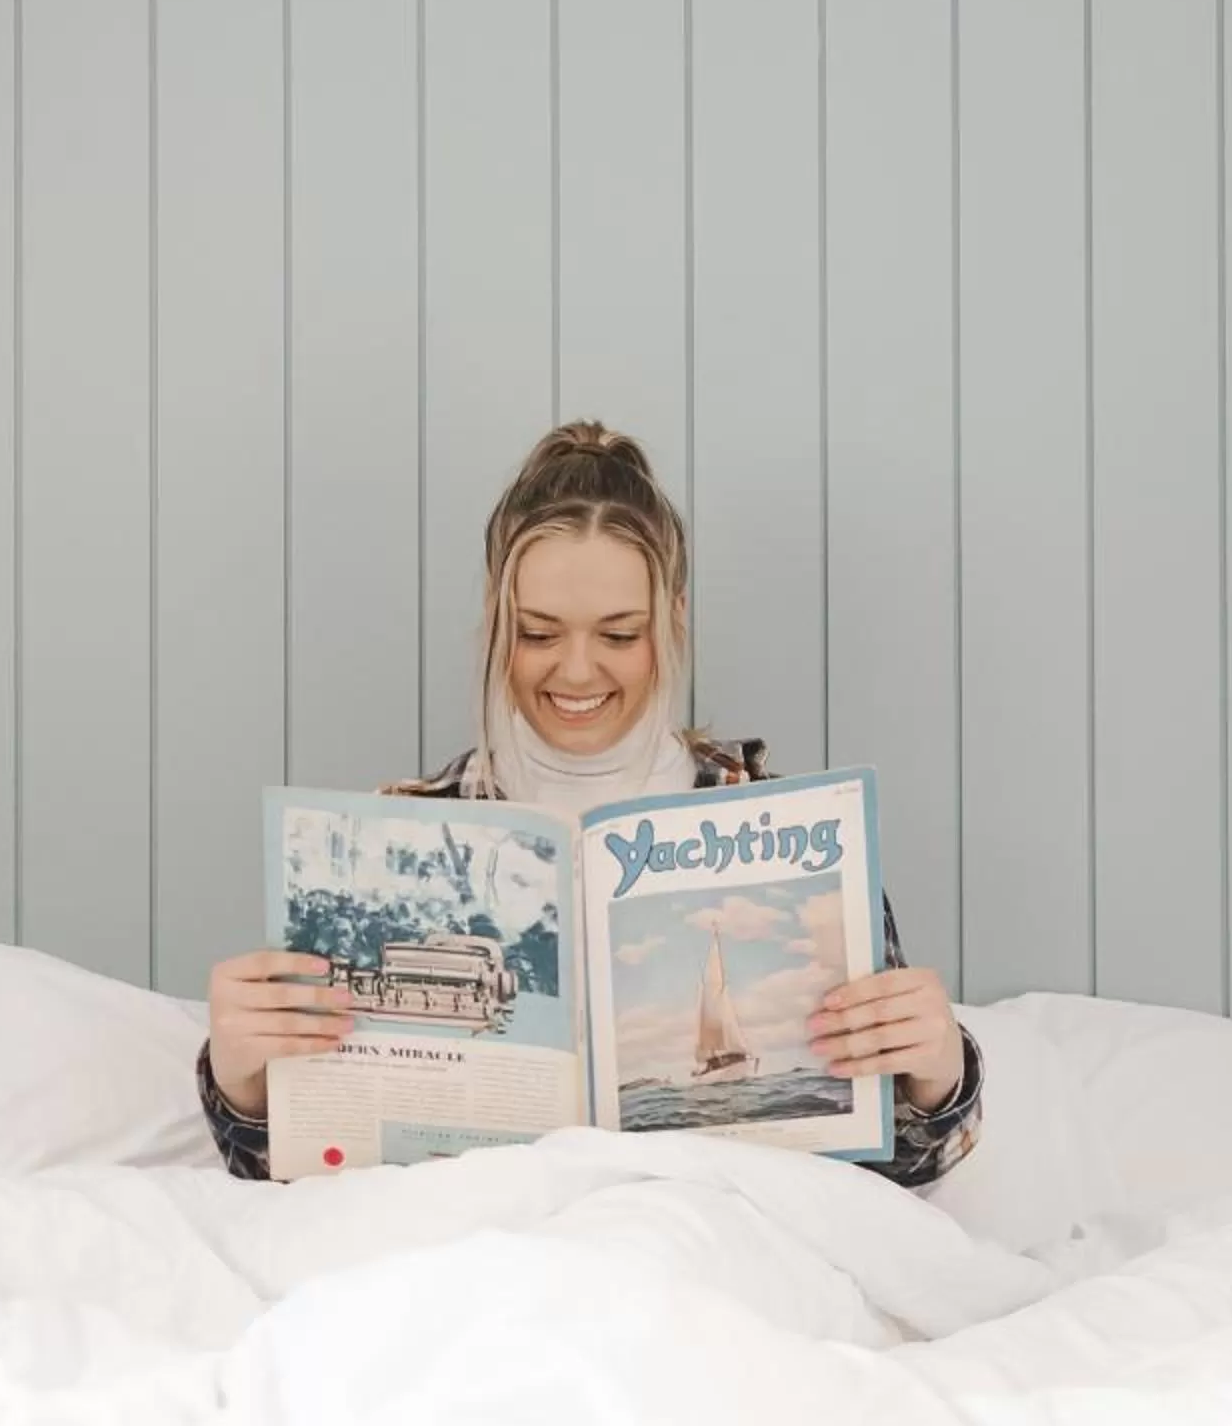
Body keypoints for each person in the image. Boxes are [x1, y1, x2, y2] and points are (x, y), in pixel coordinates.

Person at [199, 421, 982, 1186]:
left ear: (673, 619)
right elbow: (293, 1172)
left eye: (619, 635)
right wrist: (243, 1084)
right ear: (496, 619)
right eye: (539, 634)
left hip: (705, 1239)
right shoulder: (398, 837)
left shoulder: (788, 826)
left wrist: (935, 1072)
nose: (577, 672)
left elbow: (902, 1164)